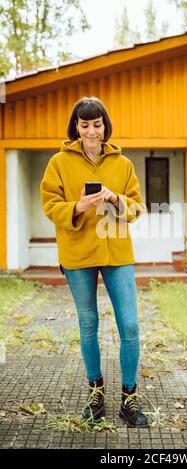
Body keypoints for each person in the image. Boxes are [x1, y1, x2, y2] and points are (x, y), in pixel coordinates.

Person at [40, 96, 148, 428]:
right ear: (76, 127)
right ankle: (96, 392)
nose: (91, 130)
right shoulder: (58, 162)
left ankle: (129, 398)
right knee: (89, 325)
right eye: (84, 124)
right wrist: (79, 206)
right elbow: (50, 205)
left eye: (96, 124)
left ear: (105, 126)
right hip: (77, 253)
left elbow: (136, 208)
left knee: (129, 326)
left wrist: (116, 197)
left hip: (116, 252)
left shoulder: (123, 164)